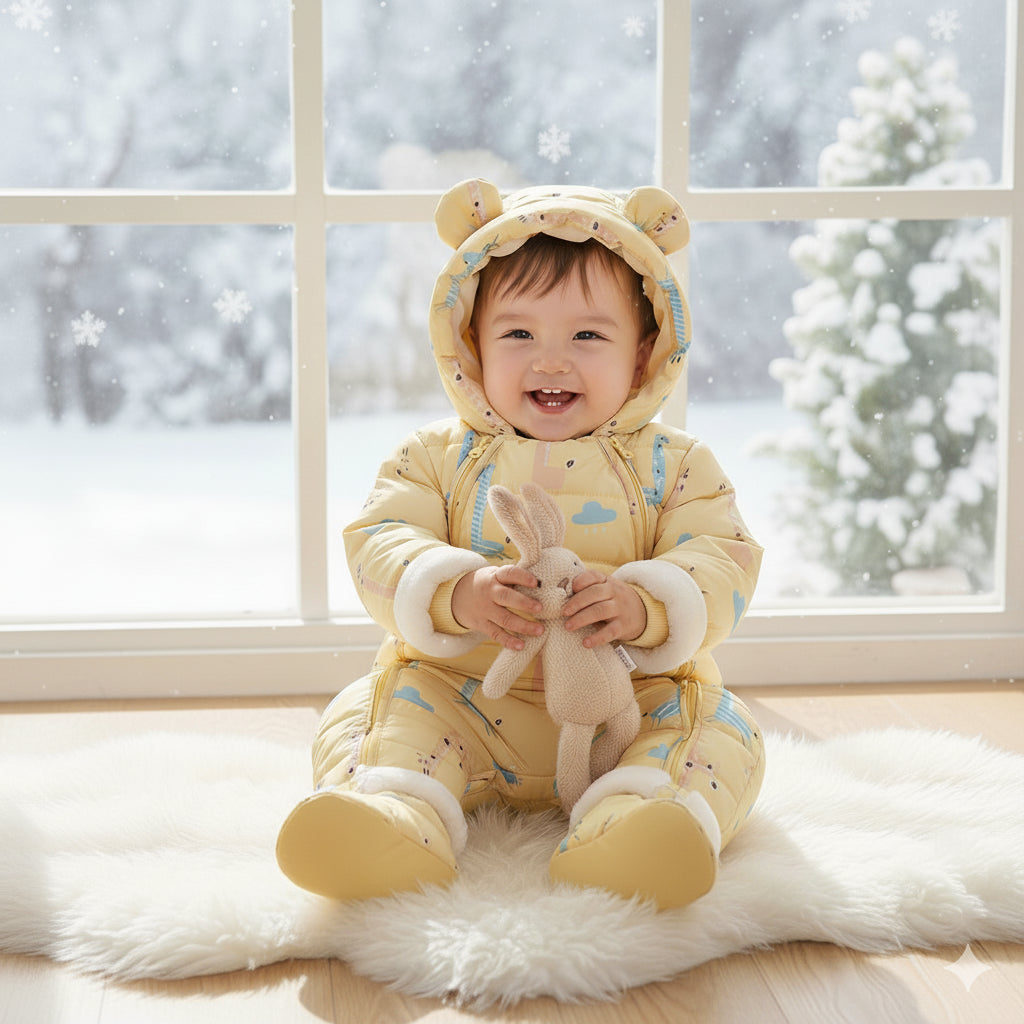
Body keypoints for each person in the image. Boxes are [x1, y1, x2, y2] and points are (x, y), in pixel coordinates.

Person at [276, 179, 765, 909]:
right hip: (465, 700)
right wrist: (452, 589)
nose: (551, 361)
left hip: (630, 703)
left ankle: (637, 822)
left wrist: (647, 605)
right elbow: (380, 539)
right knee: (378, 712)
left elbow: (722, 555)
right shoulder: (434, 457)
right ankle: (391, 814)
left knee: (718, 733)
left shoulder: (680, 465)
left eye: (588, 336)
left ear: (644, 355)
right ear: (471, 346)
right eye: (518, 334)